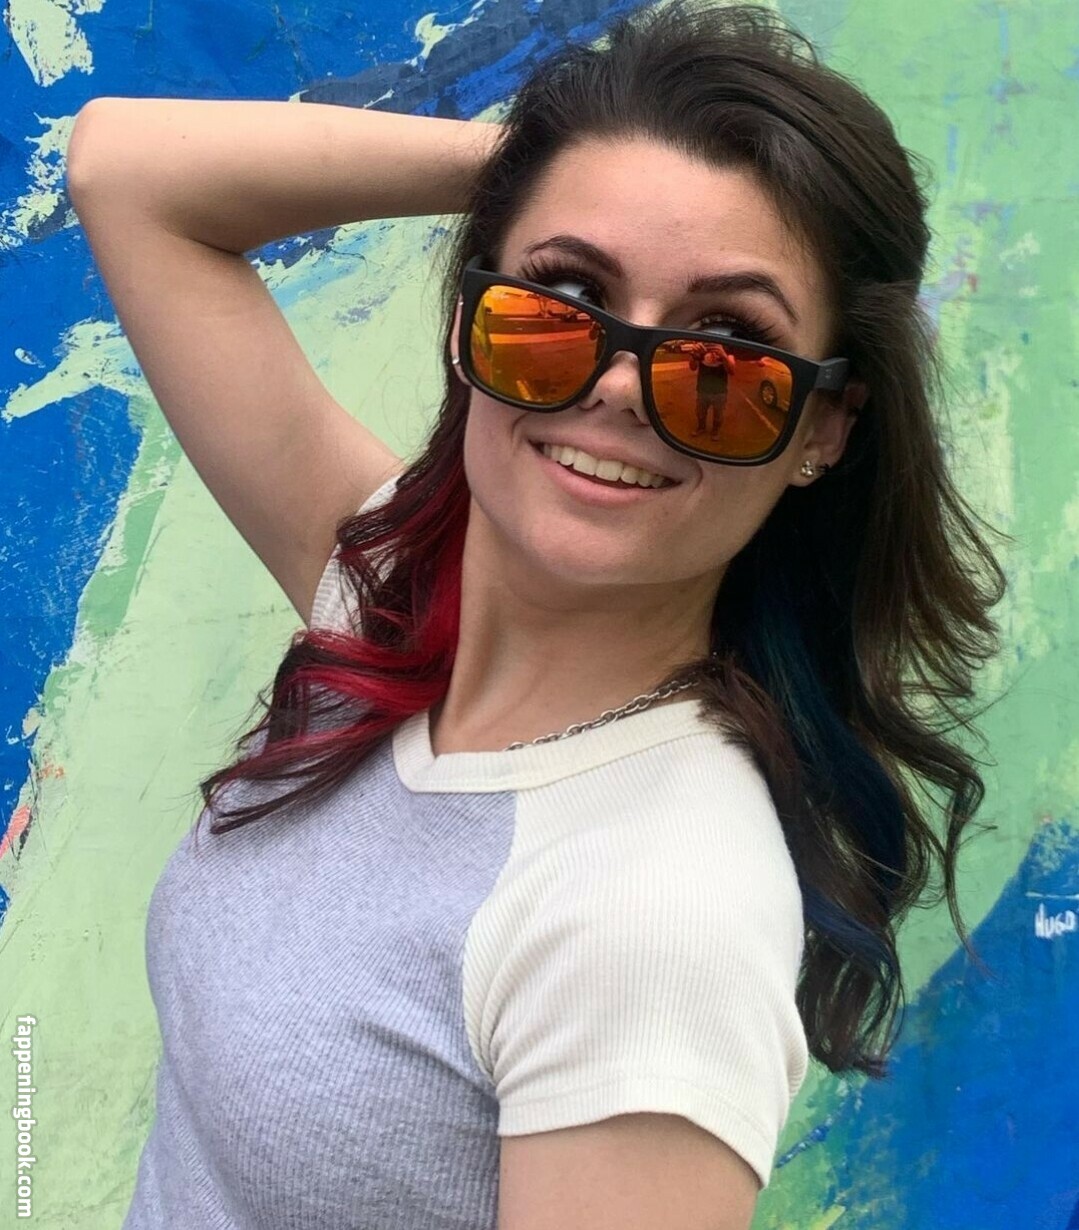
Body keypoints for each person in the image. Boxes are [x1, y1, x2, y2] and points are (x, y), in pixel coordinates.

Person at [65, 4, 1004, 1228]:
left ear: (821, 428)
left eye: (724, 349)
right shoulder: (386, 605)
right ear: (471, 319)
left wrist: (576, 198)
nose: (615, 386)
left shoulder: (652, 916)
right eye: (559, 298)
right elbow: (125, 172)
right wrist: (542, 161)